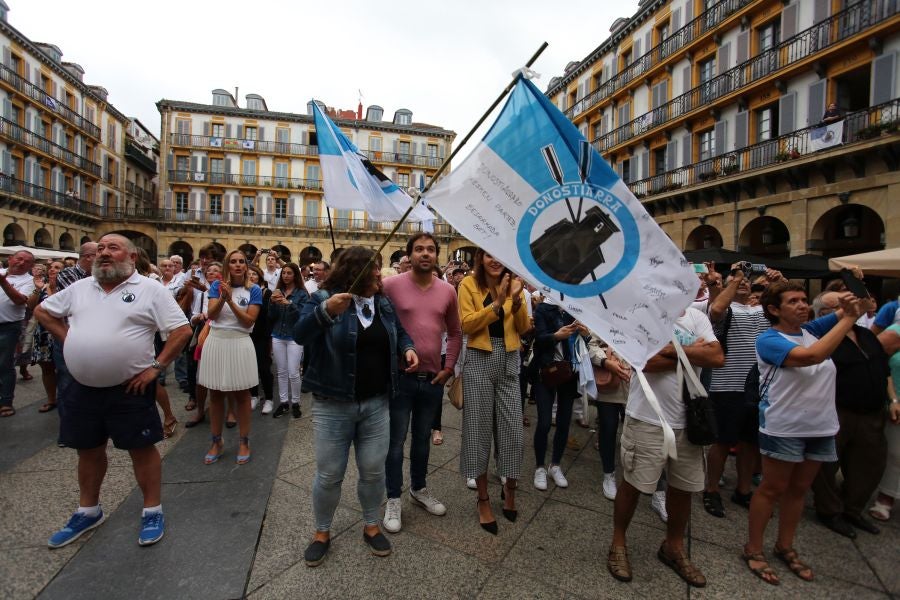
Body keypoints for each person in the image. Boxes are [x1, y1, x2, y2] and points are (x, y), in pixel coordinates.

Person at [35, 234, 191, 547]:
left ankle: (151, 510)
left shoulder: (150, 290)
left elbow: (182, 330)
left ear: (132, 257)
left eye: (112, 248)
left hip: (130, 389)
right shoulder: (80, 288)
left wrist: (156, 368)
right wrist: (71, 340)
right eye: (100, 249)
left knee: (142, 449)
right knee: (88, 449)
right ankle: (88, 510)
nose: (103, 253)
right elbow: (43, 312)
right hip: (82, 387)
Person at [293, 246, 417, 566]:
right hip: (333, 405)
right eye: (373, 269)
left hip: (376, 404)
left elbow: (400, 334)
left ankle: (371, 525)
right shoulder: (324, 299)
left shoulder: (383, 303)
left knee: (373, 471)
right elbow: (300, 335)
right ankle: (322, 532)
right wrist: (326, 313)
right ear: (355, 272)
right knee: (330, 474)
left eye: (379, 268)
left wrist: (407, 349)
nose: (379, 274)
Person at [742, 281, 864, 585]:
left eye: (804, 299)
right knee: (773, 488)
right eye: (793, 301)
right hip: (785, 426)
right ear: (774, 309)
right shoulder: (769, 340)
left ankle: (785, 545)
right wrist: (849, 317)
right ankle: (754, 549)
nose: (802, 305)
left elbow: (842, 310)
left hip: (820, 426)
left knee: (798, 490)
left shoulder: (812, 330)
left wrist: (851, 296)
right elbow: (812, 357)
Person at [607, 307, 723, 587]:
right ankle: (618, 543)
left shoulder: (697, 318)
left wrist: (671, 350)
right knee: (633, 484)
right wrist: (690, 351)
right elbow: (644, 364)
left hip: (689, 421)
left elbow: (717, 357)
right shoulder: (640, 315)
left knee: (683, 488)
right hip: (647, 418)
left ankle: (673, 547)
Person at [381, 233, 462, 533]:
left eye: (430, 249)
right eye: (419, 249)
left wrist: (449, 366)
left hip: (432, 380)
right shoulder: (390, 285)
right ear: (409, 254)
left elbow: (454, 332)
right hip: (400, 379)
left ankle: (418, 488)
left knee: (423, 439)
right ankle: (392, 497)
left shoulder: (447, 291)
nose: (425, 254)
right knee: (395, 442)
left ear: (436, 255)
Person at [458, 249, 530, 534]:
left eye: (499, 254)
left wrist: (514, 298)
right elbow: (467, 324)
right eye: (488, 254)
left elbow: (524, 327)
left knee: (513, 431)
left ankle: (510, 489)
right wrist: (497, 302)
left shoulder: (515, 285)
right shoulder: (468, 285)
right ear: (480, 258)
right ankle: (483, 499)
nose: (494, 259)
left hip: (510, 357)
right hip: (479, 358)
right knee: (477, 431)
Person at [810, 291, 889, 537]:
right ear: (826, 313)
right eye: (842, 306)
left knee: (869, 463)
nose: (852, 307)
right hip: (836, 409)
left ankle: (853, 509)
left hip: (871, 412)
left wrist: (893, 399)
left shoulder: (866, 335)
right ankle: (829, 510)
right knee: (826, 464)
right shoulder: (819, 336)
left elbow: (882, 368)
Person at [702, 266, 778, 518]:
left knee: (750, 443)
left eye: (747, 281)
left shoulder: (763, 309)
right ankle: (711, 488)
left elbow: (786, 305)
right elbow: (716, 309)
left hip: (759, 387)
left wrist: (778, 282)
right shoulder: (727, 308)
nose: (744, 283)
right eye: (739, 281)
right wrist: (732, 282)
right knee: (722, 441)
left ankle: (743, 489)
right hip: (727, 384)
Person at [198, 250, 261, 465]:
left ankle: (244, 441)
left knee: (242, 395)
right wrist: (222, 298)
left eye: (241, 262)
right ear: (227, 265)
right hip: (217, 341)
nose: (237, 265)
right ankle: (216, 441)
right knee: (215, 394)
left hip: (240, 342)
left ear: (246, 265)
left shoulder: (253, 290)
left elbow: (248, 322)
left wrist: (230, 302)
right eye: (233, 262)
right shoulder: (217, 286)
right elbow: (212, 315)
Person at [531, 301, 588, 491]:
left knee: (564, 422)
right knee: (545, 422)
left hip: (569, 372)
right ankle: (540, 466)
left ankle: (555, 465)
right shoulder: (543, 308)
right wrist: (557, 335)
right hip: (546, 370)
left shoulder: (578, 309)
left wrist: (584, 334)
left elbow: (585, 343)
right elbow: (539, 338)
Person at [588, 335, 631, 500]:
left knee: (640, 429)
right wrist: (605, 361)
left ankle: (653, 482)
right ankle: (608, 473)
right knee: (608, 426)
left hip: (636, 380)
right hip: (610, 380)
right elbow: (590, 342)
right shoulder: (604, 310)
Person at [0, 250, 39, 417]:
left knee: (5, 365)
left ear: (31, 266)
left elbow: (19, 301)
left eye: (27, 261)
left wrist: (3, 283)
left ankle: (6, 402)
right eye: (19, 258)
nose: (22, 263)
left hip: (9, 327)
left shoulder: (29, 281)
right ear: (10, 259)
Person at [268, 263, 308, 418]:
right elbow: (271, 316)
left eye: (289, 273)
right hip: (278, 334)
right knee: (281, 371)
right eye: (283, 273)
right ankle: (284, 402)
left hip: (294, 336)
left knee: (293, 372)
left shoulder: (302, 294)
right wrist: (272, 303)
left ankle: (296, 402)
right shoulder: (278, 291)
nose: (285, 276)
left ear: (295, 275)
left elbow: (303, 316)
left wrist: (289, 304)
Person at [871, 325, 900, 521]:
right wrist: (893, 399)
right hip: (896, 403)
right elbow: (877, 362)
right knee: (896, 453)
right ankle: (885, 498)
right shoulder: (896, 332)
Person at [33, 260, 64, 413]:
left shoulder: (67, 287)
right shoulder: (43, 287)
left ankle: (65, 398)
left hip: (61, 331)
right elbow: (31, 307)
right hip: (44, 333)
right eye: (50, 267)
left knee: (63, 368)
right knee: (46, 367)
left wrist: (52, 289)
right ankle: (51, 398)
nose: (52, 270)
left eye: (57, 267)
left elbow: (60, 310)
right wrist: (38, 290)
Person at [246, 266, 275, 413]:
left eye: (254, 274)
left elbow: (269, 316)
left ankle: (269, 398)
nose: (251, 276)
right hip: (246, 334)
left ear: (259, 276)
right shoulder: (244, 292)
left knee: (264, 367)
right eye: (249, 274)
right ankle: (254, 395)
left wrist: (270, 338)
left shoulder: (266, 293)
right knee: (249, 367)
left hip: (262, 335)